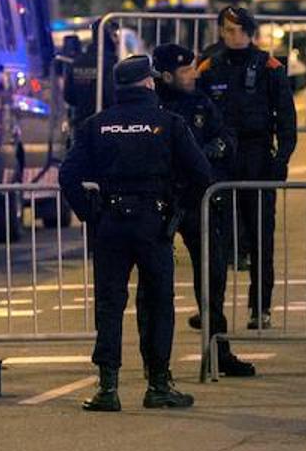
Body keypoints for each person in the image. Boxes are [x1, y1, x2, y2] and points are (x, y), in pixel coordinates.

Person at [59, 55, 211, 411]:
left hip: (110, 222)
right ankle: (158, 384)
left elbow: (68, 175)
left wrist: (89, 212)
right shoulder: (168, 122)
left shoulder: (97, 125)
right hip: (153, 223)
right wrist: (178, 208)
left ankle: (107, 388)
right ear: (146, 83)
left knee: (110, 305)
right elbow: (201, 173)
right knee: (158, 303)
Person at [148, 43, 255, 378]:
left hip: (201, 199)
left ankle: (218, 351)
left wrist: (207, 154)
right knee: (156, 284)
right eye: (185, 70)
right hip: (165, 200)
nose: (194, 74)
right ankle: (156, 363)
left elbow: (227, 137)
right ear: (167, 75)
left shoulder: (201, 101)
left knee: (212, 279)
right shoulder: (154, 107)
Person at [197, 6, 296, 329]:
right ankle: (214, 310)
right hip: (223, 162)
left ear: (250, 32)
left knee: (260, 235)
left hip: (257, 159)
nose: (232, 35)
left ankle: (260, 308)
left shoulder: (269, 67)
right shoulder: (209, 67)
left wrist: (281, 160)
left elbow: (286, 121)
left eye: (238, 29)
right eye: (226, 29)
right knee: (219, 240)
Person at [64, 19, 117, 128]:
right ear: (107, 36)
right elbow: (111, 96)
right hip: (106, 124)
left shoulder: (78, 62)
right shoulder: (111, 63)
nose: (118, 40)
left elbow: (69, 96)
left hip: (81, 122)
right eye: (114, 35)